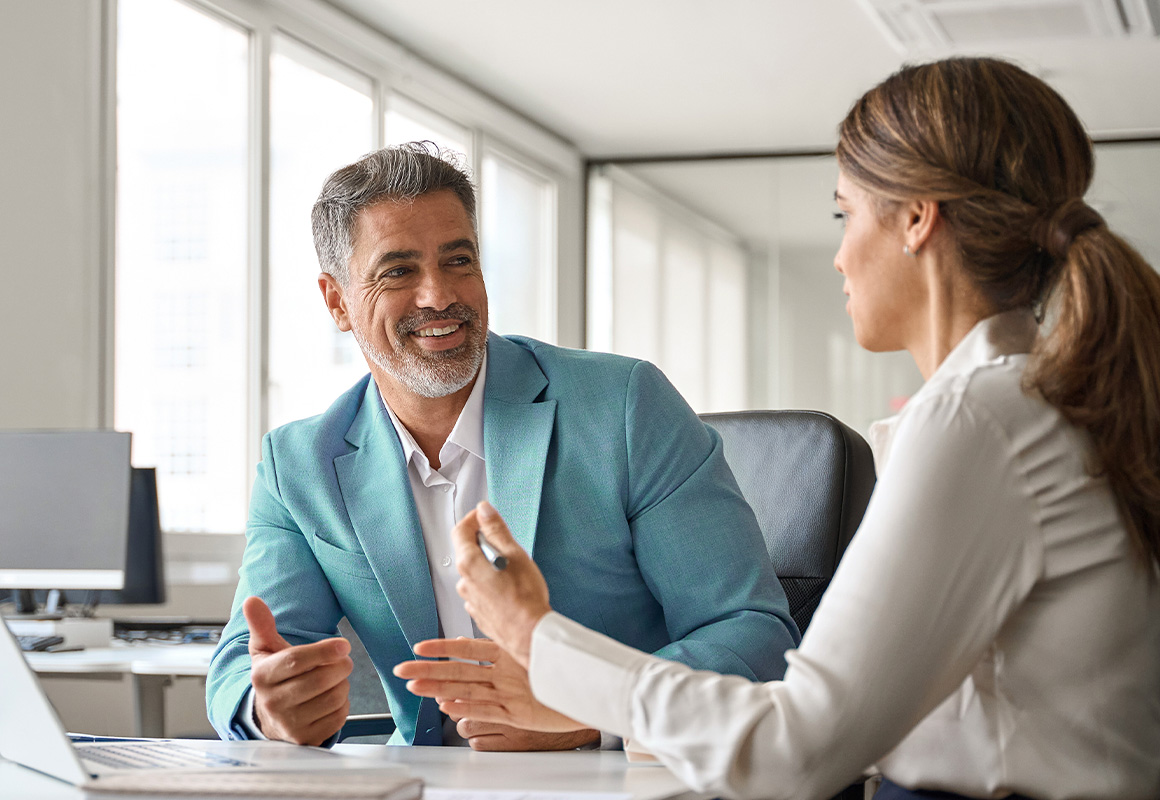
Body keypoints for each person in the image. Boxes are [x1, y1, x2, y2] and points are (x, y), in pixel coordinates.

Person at [399, 58, 1160, 798]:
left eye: (846, 213)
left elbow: (798, 749)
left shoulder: (981, 419)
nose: (838, 255)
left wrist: (541, 641)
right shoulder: (1032, 404)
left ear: (918, 219)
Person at [205, 143, 799, 751]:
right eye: (399, 271)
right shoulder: (299, 465)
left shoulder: (623, 406)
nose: (438, 295)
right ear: (337, 301)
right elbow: (239, 665)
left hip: (616, 780)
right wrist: (268, 708)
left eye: (458, 260)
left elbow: (753, 633)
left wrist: (593, 714)